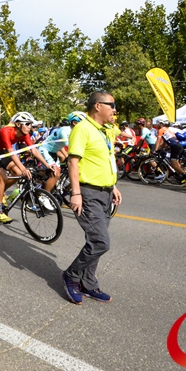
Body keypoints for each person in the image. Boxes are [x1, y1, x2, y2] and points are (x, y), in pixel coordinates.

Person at [62, 91, 121, 305]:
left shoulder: (105, 131)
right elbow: (73, 162)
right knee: (100, 241)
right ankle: (71, 275)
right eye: (111, 105)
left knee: (95, 241)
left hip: (106, 192)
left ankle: (88, 283)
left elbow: (105, 160)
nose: (114, 109)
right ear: (98, 106)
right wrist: (76, 193)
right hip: (88, 193)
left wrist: (113, 186)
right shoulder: (82, 129)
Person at [0, 111, 59, 224]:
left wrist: (47, 165)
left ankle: (0, 192)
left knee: (18, 173)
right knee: (2, 178)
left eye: (31, 124)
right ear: (18, 124)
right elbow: (12, 153)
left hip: (1, 152)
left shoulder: (25, 134)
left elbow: (34, 150)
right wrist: (24, 169)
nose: (30, 127)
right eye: (28, 124)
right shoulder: (6, 131)